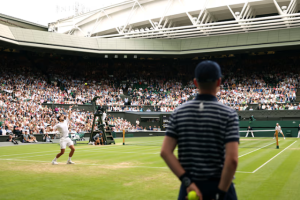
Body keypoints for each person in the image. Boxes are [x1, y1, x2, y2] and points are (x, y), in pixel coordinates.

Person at [160, 60, 239, 200]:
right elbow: (232, 160)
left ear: (195, 83)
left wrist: (187, 182)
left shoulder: (178, 112)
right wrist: (220, 193)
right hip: (221, 188)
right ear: (219, 82)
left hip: (190, 190)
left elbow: (165, 152)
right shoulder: (229, 114)